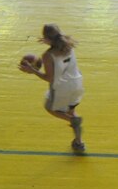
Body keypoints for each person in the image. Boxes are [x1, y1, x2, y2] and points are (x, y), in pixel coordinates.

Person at [20, 23, 87, 153]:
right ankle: (78, 143)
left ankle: (72, 120)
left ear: (47, 38)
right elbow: (58, 48)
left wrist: (32, 70)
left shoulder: (47, 55)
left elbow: (49, 78)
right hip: (77, 84)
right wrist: (49, 41)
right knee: (71, 110)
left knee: (51, 108)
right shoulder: (68, 45)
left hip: (61, 88)